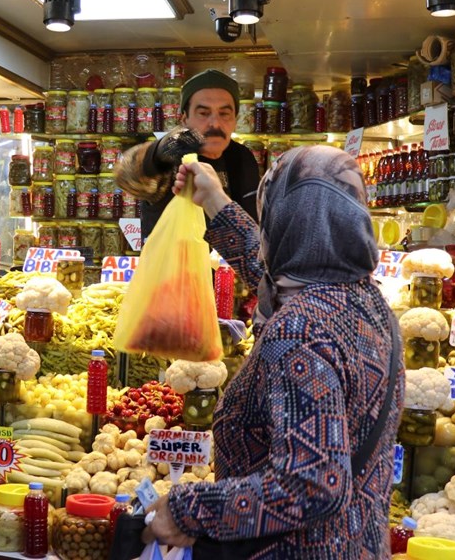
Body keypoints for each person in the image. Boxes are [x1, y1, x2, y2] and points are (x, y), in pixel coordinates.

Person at [144, 145, 403, 559]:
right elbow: (277, 271)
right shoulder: (370, 305)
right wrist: (215, 201)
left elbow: (312, 484)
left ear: (285, 223)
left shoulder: (299, 328)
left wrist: (188, 510)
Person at [115, 69, 259, 239]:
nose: (215, 123)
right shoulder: (170, 155)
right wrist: (158, 153)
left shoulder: (242, 158)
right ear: (184, 119)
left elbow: (254, 225)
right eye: (203, 113)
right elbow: (126, 174)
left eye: (224, 114)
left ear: (235, 120)